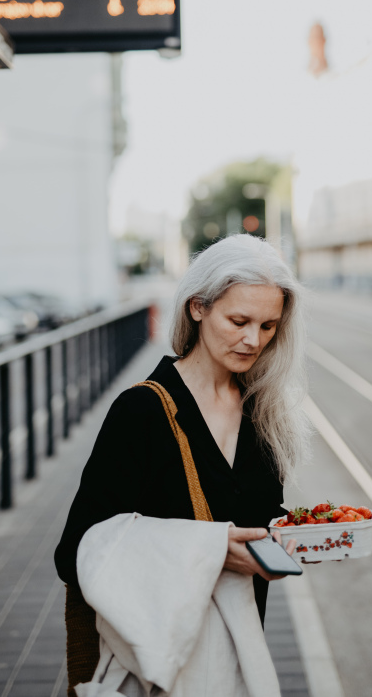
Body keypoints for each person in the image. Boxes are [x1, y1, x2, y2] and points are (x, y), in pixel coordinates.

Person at [55, 233, 311, 644]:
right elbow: (75, 553)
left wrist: (301, 534)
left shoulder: (263, 411)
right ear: (197, 307)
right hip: (162, 654)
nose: (254, 341)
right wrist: (209, 550)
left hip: (239, 651)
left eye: (268, 326)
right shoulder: (141, 411)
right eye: (238, 321)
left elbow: (255, 516)